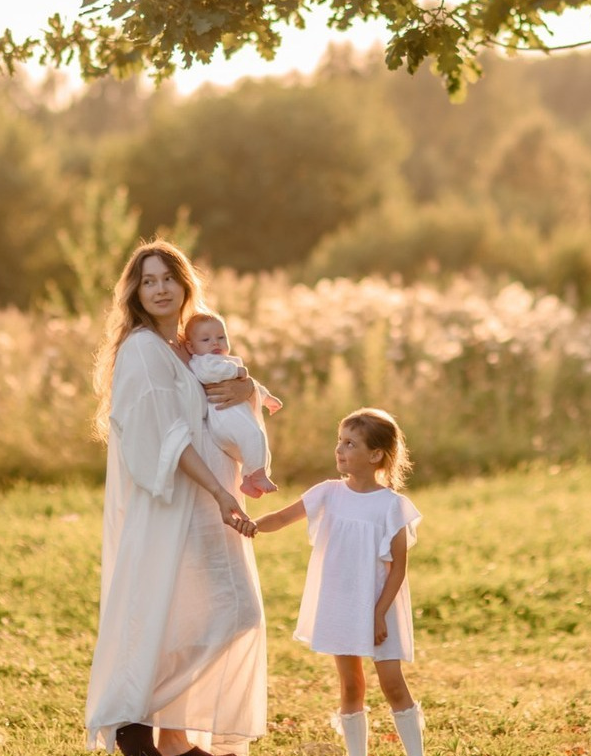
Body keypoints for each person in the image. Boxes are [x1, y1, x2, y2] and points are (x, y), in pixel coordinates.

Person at [85, 240, 272, 756]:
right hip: (178, 505)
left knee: (197, 614)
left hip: (208, 504)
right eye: (149, 280)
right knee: (226, 613)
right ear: (135, 293)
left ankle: (171, 737)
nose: (160, 288)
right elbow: (167, 436)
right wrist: (217, 492)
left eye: (168, 277)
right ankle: (132, 717)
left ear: (185, 284)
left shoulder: (187, 347)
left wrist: (249, 386)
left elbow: (221, 402)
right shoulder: (143, 348)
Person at [254, 408, 424, 756]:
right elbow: (282, 517)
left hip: (381, 607)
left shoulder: (392, 506)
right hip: (342, 603)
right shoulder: (328, 493)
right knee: (350, 686)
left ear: (375, 455)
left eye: (350, 443)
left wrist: (378, 614)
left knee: (392, 685)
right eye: (339, 441)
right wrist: (248, 524)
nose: (339, 449)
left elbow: (398, 568)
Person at [181, 311, 280, 498]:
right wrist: (238, 371)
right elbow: (209, 374)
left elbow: (252, 385)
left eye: (221, 337)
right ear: (191, 347)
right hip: (223, 419)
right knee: (254, 435)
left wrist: (266, 398)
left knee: (257, 443)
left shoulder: (225, 361)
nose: (215, 343)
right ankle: (258, 475)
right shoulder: (204, 361)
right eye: (206, 339)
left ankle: (249, 480)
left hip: (234, 422)